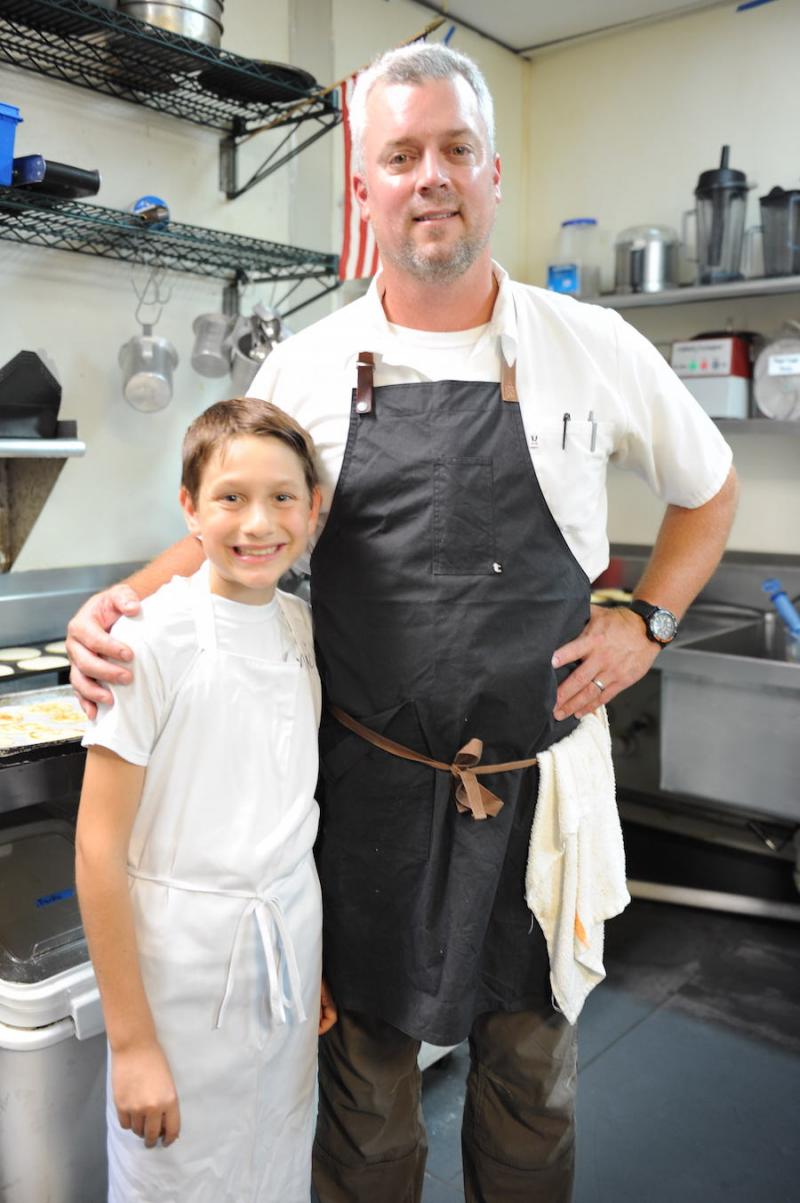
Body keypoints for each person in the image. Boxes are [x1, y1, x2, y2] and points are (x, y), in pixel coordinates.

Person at [68, 44, 739, 1203]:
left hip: (534, 799)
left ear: (490, 174)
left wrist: (649, 619)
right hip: (366, 802)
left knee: (529, 1092)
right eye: (400, 155)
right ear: (364, 186)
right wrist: (122, 600)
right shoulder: (309, 364)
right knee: (364, 1105)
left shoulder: (589, 346)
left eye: (454, 150)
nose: (430, 176)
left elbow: (708, 490)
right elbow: (238, 520)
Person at [75, 397, 337, 1203]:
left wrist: (306, 963)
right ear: (189, 508)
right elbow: (97, 850)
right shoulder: (147, 642)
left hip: (285, 953)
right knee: (177, 1179)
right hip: (177, 980)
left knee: (274, 1166)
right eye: (231, 497)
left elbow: (286, 807)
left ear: (313, 510)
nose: (258, 522)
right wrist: (133, 1044)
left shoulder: (301, 629)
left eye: (282, 497)